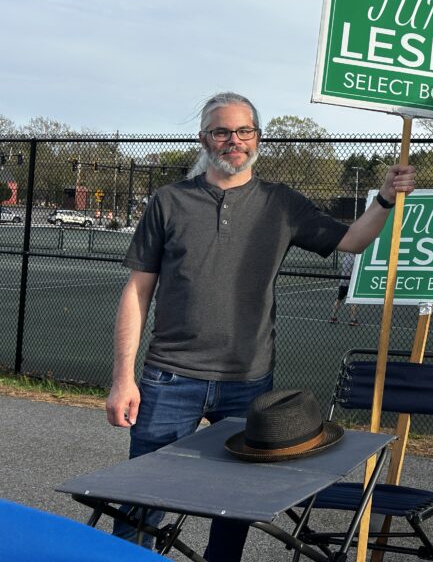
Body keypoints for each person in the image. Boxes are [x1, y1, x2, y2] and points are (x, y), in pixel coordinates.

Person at [104, 92, 415, 561]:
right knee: (141, 502)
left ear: (258, 137)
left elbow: (352, 239)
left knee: (232, 506)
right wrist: (123, 378)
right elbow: (137, 291)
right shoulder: (169, 201)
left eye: (243, 131)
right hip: (169, 378)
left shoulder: (280, 203)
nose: (234, 141)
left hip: (248, 381)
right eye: (222, 132)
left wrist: (386, 199)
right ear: (203, 138)